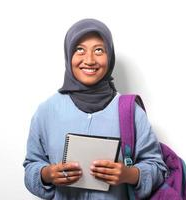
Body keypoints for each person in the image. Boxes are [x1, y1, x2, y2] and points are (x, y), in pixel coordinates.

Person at [23, 18, 167, 200]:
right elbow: (30, 167)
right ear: (69, 55)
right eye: (79, 49)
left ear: (110, 55)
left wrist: (128, 174)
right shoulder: (46, 111)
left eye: (99, 50)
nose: (89, 60)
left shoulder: (129, 110)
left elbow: (158, 168)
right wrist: (47, 174)